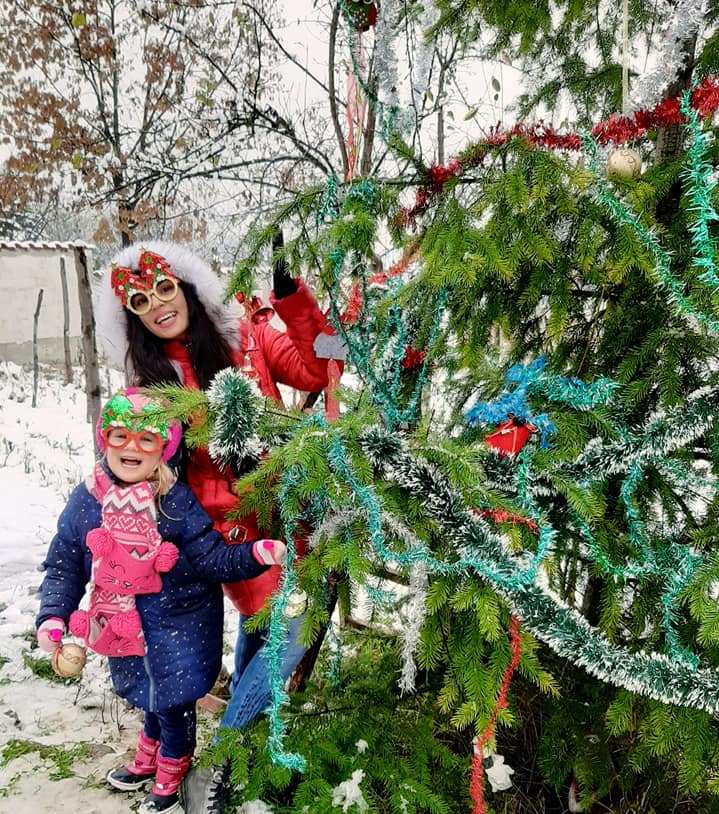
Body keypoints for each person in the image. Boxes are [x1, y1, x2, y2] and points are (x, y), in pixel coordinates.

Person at [95, 239, 343, 812]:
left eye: (162, 288)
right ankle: (221, 760)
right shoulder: (149, 388)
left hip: (286, 505)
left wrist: (291, 298)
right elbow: (140, 465)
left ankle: (244, 755)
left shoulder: (246, 336)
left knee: (267, 634)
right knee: (289, 633)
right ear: (131, 318)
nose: (156, 305)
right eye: (138, 301)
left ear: (185, 285)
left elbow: (324, 362)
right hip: (217, 537)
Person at [36, 391, 287, 814]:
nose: (132, 447)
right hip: (123, 626)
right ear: (105, 440)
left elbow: (210, 556)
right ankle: (148, 756)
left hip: (181, 626)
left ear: (163, 449)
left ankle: (172, 773)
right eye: (120, 436)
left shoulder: (175, 502)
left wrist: (253, 554)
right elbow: (65, 563)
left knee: (173, 703)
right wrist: (54, 614)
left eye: (146, 439)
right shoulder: (87, 501)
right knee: (148, 696)